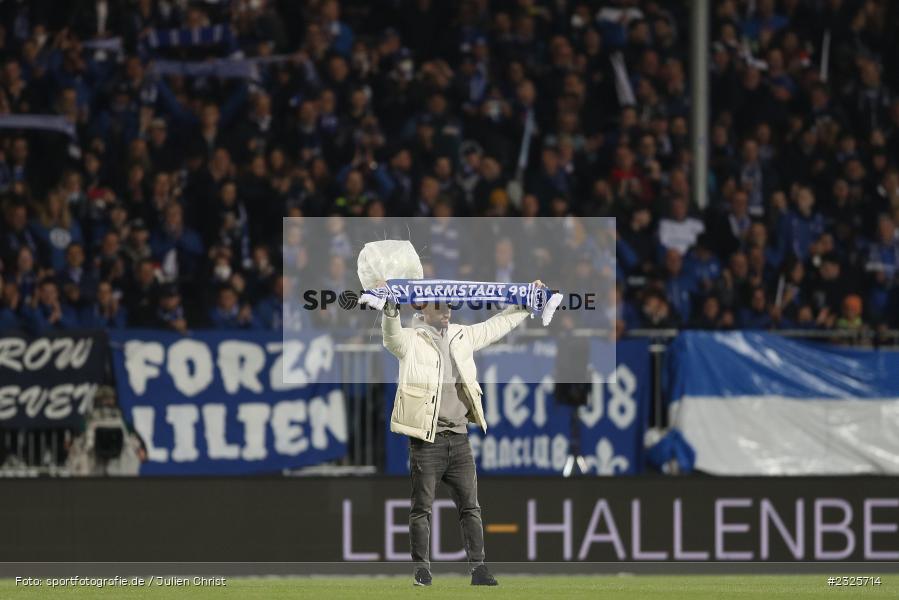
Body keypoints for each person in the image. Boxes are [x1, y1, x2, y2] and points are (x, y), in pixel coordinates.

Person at [366, 279, 546, 587]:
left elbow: (495, 326)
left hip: (460, 438)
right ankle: (422, 570)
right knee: (421, 508)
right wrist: (390, 307)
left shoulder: (462, 335)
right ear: (422, 308)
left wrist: (525, 302)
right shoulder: (410, 339)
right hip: (427, 440)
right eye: (440, 306)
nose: (447, 311)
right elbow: (390, 336)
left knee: (471, 508)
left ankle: (479, 569)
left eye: (449, 305)